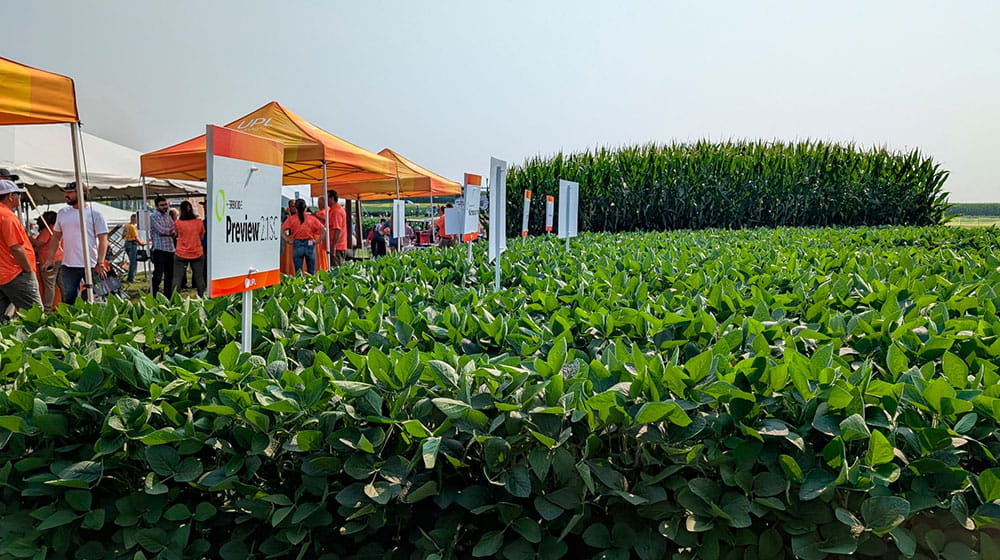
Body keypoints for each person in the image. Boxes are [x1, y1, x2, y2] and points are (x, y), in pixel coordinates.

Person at [42, 182, 109, 304]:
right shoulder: (63, 213)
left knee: (100, 296)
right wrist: (50, 259)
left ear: (80, 194)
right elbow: (55, 237)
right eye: (65, 192)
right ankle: (71, 321)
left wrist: (100, 262)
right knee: (69, 298)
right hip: (69, 265)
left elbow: (103, 239)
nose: (66, 195)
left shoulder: (95, 214)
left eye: (69, 193)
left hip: (92, 264)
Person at [0, 180, 42, 319]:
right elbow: (16, 248)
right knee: (35, 315)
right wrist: (28, 269)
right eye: (18, 195)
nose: (20, 198)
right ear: (10, 196)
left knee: (2, 317)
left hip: (3, 273)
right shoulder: (7, 216)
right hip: (14, 272)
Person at [171, 201, 206, 296]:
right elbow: (202, 236)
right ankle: (202, 297)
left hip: (181, 253)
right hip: (197, 252)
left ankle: (174, 299)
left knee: (177, 278)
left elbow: (175, 233)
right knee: (199, 277)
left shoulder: (178, 223)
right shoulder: (199, 222)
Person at [281, 199, 323, 274]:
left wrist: (287, 240)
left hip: (297, 242)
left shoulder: (291, 219)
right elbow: (324, 230)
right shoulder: (312, 219)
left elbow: (281, 230)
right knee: (311, 271)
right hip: (310, 242)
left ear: (296, 208)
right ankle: (311, 284)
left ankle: (300, 284)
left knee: (298, 272)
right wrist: (317, 241)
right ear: (305, 207)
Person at [30, 211, 61, 312]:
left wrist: (29, 238)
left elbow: (39, 243)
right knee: (62, 284)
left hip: (49, 260)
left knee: (49, 285)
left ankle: (48, 308)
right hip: (60, 258)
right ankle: (67, 304)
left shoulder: (48, 229)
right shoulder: (58, 228)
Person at [149, 196, 176, 298]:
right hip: (159, 249)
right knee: (158, 275)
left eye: (166, 204)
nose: (165, 207)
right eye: (162, 205)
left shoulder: (167, 216)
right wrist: (169, 231)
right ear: (156, 206)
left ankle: (167, 296)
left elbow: (174, 229)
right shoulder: (153, 216)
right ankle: (153, 295)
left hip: (170, 249)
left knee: (170, 275)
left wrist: (170, 231)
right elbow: (161, 230)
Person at [326, 190, 348, 267]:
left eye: (326, 197)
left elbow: (337, 229)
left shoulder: (336, 211)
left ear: (332, 198)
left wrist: (333, 246)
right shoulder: (333, 210)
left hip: (337, 247)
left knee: (335, 271)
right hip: (337, 246)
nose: (325, 200)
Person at [122, 213, 144, 283]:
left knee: (132, 261)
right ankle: (131, 278)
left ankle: (131, 277)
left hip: (126, 244)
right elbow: (136, 237)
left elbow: (123, 235)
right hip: (132, 244)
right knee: (133, 262)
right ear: (134, 219)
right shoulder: (132, 227)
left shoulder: (126, 226)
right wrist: (141, 242)